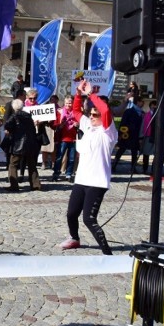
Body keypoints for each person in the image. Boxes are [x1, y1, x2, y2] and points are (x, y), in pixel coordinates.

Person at [60, 79, 117, 255]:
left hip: (97, 182)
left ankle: (107, 252)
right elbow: (76, 111)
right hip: (81, 179)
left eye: (95, 115)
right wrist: (78, 93)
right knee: (71, 214)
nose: (91, 117)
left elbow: (105, 110)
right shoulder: (88, 127)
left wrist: (91, 94)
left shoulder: (108, 132)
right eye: (91, 114)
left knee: (89, 219)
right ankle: (74, 238)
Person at [4, 99, 41, 191]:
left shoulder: (14, 116)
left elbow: (7, 125)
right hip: (30, 144)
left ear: (13, 107)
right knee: (32, 165)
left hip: (17, 144)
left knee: (13, 164)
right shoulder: (28, 116)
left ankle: (14, 185)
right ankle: (35, 184)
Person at [112, 96, 144, 174]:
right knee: (121, 150)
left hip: (136, 135)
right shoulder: (129, 111)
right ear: (138, 102)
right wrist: (120, 134)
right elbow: (123, 123)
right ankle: (114, 166)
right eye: (142, 101)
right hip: (127, 134)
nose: (143, 103)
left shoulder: (142, 113)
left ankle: (133, 168)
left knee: (134, 152)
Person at [52, 95, 78, 181]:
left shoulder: (76, 112)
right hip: (62, 138)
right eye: (66, 103)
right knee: (59, 157)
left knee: (71, 158)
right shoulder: (60, 112)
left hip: (73, 138)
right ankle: (56, 173)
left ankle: (69, 174)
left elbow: (81, 123)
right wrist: (60, 125)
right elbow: (54, 125)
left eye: (70, 103)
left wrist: (77, 125)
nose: (68, 105)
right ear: (64, 103)